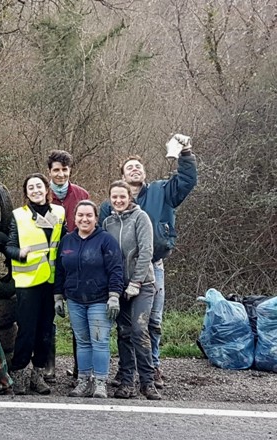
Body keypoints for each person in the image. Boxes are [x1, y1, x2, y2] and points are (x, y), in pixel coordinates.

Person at [98, 134, 197, 387]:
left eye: (138, 167)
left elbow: (187, 180)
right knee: (125, 325)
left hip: (153, 266)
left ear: (144, 173)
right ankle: (126, 371)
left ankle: (152, 368)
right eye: (129, 167)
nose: (134, 169)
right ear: (122, 175)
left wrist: (185, 153)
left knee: (152, 321)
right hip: (121, 272)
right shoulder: (110, 206)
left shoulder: (162, 191)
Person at [54, 200, 124, 398]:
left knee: (100, 341)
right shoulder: (67, 241)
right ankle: (83, 381)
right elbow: (59, 270)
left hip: (100, 300)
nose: (84, 219)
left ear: (95, 218)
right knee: (83, 341)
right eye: (80, 215)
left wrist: (114, 296)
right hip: (75, 300)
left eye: (89, 215)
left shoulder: (106, 240)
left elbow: (116, 269)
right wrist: (58, 296)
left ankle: (100, 382)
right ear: (74, 218)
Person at [6, 173, 66, 395]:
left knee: (45, 332)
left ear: (46, 189)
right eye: (30, 187)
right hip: (27, 282)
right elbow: (8, 246)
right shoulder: (19, 216)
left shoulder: (59, 213)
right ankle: (19, 372)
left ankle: (38, 376)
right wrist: (19, 253)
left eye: (39, 186)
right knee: (27, 331)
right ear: (26, 192)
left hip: (51, 282)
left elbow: (64, 242)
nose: (35, 190)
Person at [103, 180, 161, 400]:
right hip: (119, 286)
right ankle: (127, 381)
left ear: (129, 198)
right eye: (114, 197)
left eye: (122, 197)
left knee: (139, 329)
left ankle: (147, 381)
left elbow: (147, 250)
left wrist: (136, 282)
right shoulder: (108, 223)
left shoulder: (140, 217)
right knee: (124, 332)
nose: (118, 200)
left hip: (143, 284)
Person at [47, 149, 90, 382]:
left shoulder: (81, 194)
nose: (61, 174)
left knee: (78, 318)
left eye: (64, 170)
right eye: (56, 170)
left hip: (76, 264)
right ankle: (49, 367)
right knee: (48, 318)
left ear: (70, 170)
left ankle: (79, 368)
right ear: (49, 172)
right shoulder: (42, 195)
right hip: (48, 263)